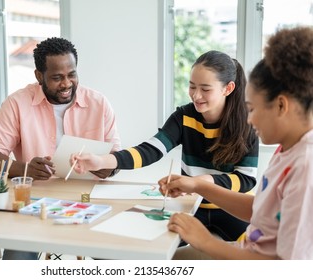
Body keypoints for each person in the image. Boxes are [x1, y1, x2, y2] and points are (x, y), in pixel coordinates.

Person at [72, 50, 259, 244]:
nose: (196, 95)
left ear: (227, 88)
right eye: (192, 86)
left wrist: (201, 182)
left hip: (233, 208)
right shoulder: (184, 117)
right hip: (191, 206)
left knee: (256, 256)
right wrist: (101, 160)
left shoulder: (248, 122)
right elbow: (149, 151)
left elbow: (246, 179)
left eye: (205, 89)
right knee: (152, 247)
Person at [161, 26, 313, 259]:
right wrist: (198, 186)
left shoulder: (305, 166)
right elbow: (261, 211)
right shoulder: (289, 150)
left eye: (252, 109)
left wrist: (205, 241)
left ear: (281, 106)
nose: (249, 119)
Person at [0, 37, 121, 259]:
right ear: (39, 76)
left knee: (116, 257)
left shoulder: (99, 103)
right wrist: (25, 169)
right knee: (15, 262)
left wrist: (108, 167)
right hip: (35, 202)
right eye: (57, 77)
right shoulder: (17, 103)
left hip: (89, 200)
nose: (66, 84)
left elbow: (116, 157)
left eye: (71, 75)